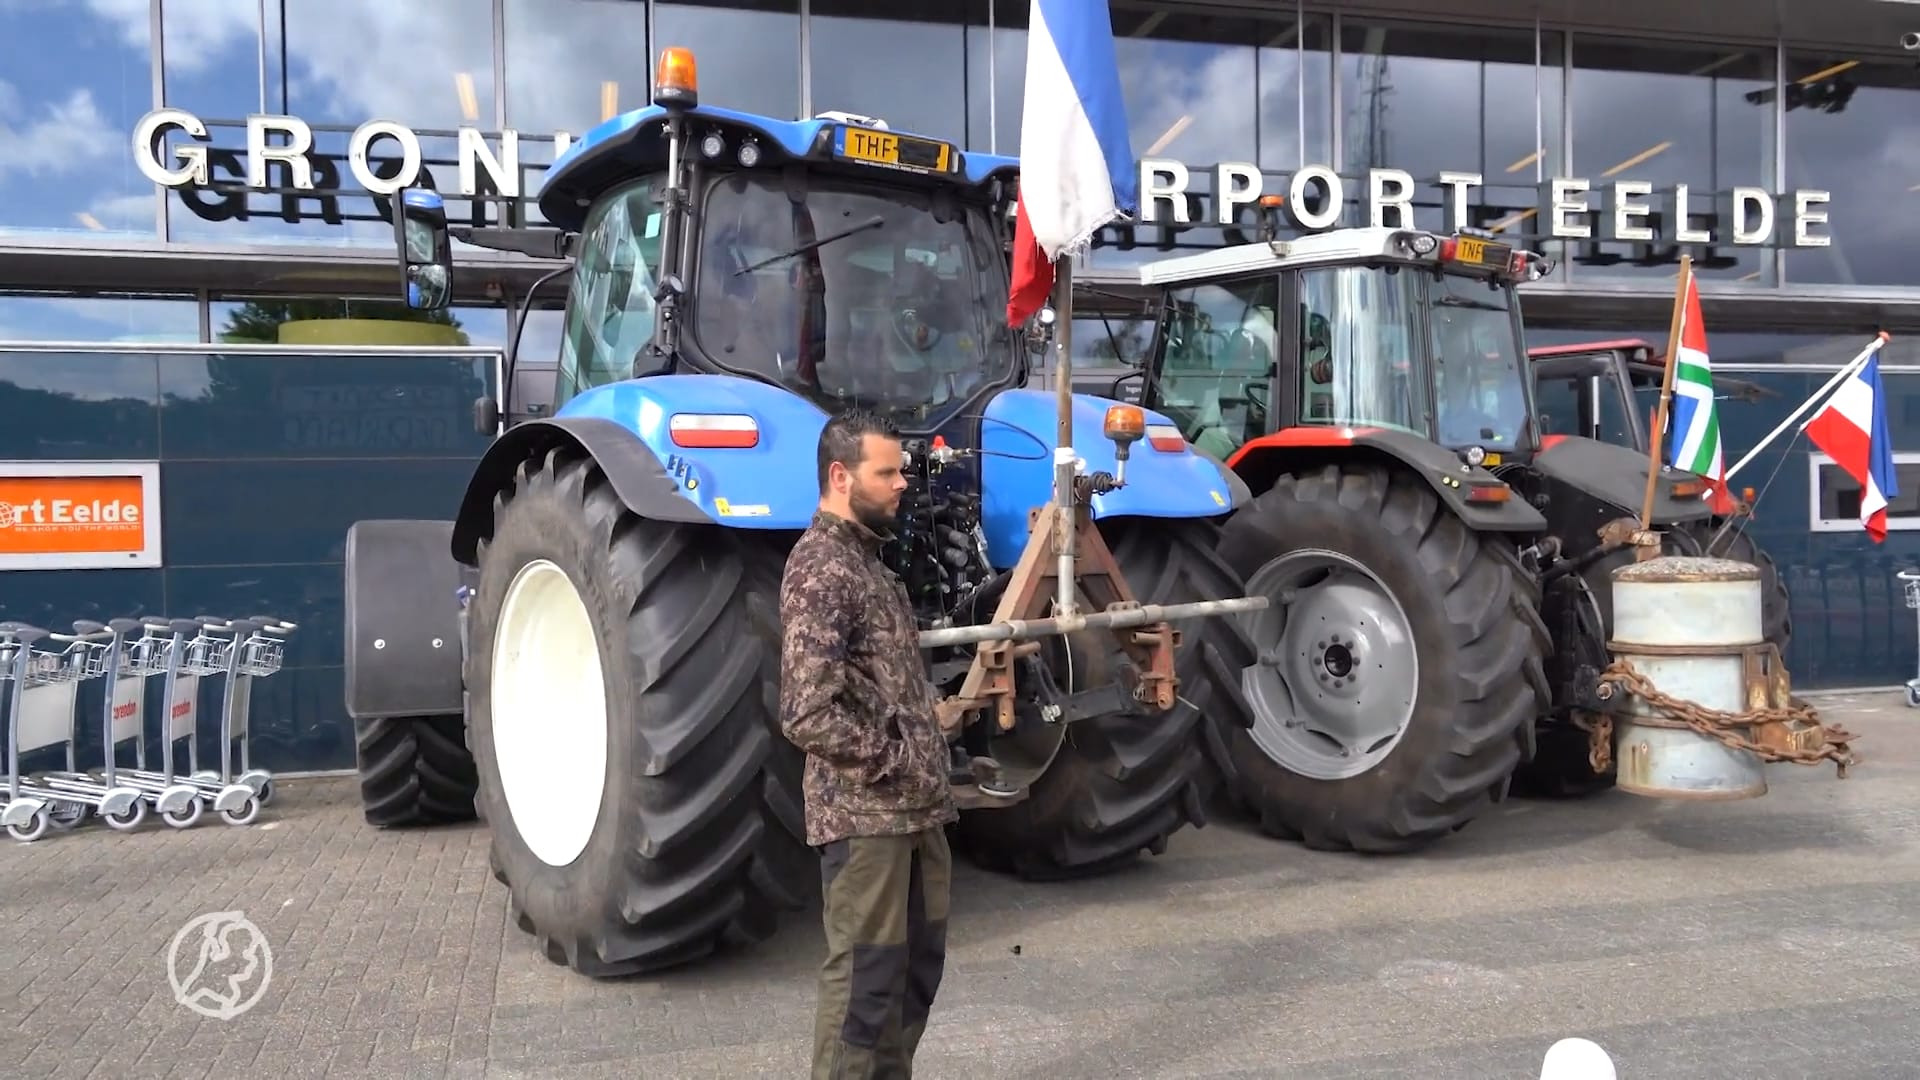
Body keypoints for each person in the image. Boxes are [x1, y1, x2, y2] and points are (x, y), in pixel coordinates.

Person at [779, 408, 958, 1079]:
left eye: (902, 472)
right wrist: (901, 759)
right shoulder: (822, 569)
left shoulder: (873, 568)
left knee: (912, 977)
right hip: (866, 819)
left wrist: (933, 724)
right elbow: (806, 711)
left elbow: (879, 690)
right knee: (865, 988)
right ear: (839, 476)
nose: (902, 484)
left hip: (917, 814)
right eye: (886, 473)